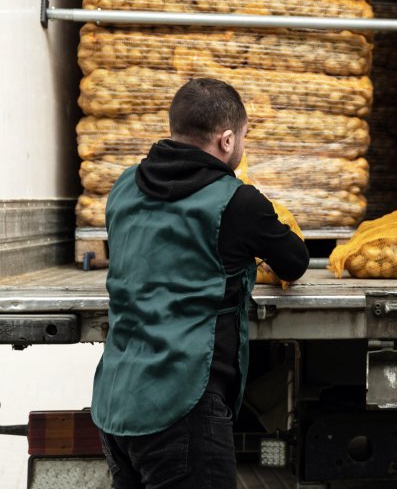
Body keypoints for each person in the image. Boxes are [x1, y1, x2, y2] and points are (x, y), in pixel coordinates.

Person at [91, 78, 309, 488]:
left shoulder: (123, 186)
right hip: (181, 407)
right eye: (244, 137)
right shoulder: (237, 202)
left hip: (116, 402)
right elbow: (293, 262)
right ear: (227, 141)